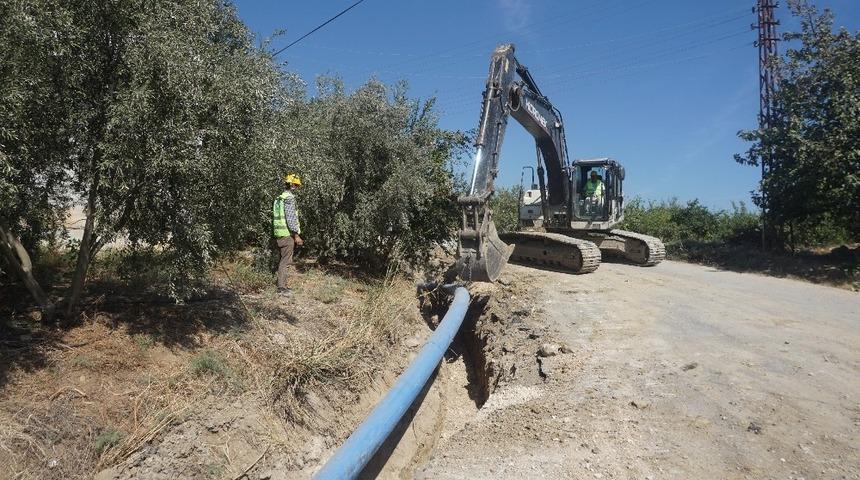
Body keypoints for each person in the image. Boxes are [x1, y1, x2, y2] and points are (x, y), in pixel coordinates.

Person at [273, 173, 304, 295]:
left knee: (282, 260)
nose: (297, 187)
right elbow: (290, 218)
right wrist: (296, 235)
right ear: (291, 185)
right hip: (287, 234)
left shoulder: (279, 198)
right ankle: (281, 289)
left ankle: (283, 286)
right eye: (296, 185)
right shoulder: (289, 198)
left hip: (279, 233)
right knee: (285, 262)